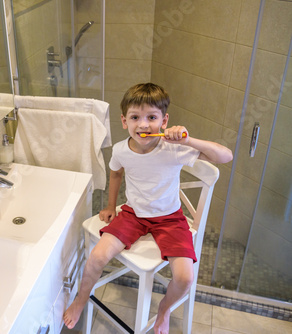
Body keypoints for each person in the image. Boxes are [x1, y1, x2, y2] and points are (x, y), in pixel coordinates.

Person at [63, 83, 233, 333]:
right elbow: (116, 173)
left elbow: (225, 156)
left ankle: (164, 310)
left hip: (170, 219)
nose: (143, 125)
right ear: (124, 121)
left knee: (185, 278)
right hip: (133, 214)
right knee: (97, 257)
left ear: (164, 121)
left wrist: (189, 140)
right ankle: (80, 300)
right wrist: (111, 205)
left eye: (151, 117)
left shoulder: (174, 149)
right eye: (135, 117)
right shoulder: (122, 150)